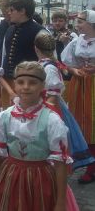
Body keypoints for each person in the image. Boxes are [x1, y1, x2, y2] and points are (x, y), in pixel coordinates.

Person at [0, 61, 71, 211]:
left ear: (42, 86)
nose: (25, 87)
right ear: (15, 85)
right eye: (20, 82)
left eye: (32, 83)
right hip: (10, 177)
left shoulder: (51, 119)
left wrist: (60, 202)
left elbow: (60, 164)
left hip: (40, 179)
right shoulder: (5, 117)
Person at [35, 33, 95, 171]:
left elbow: (53, 95)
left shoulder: (49, 67)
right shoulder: (46, 64)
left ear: (36, 48)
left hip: (52, 108)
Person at [61, 10, 95, 184]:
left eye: (81, 21)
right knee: (79, 121)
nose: (77, 24)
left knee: (93, 122)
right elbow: (67, 62)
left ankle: (91, 167)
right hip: (79, 84)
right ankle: (85, 159)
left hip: (94, 86)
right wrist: (74, 70)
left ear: (91, 23)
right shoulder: (76, 42)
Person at [0, 0, 46, 108]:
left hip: (28, 84)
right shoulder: (10, 29)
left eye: (12, 10)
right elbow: (4, 56)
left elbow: (47, 59)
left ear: (22, 11)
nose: (8, 13)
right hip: (8, 82)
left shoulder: (39, 31)